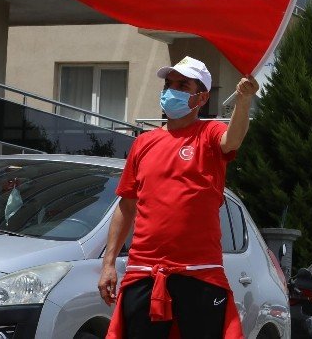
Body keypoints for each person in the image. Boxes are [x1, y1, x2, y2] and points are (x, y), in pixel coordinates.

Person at [98, 57, 259, 339]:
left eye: (182, 85)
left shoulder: (209, 134)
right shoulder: (143, 143)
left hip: (199, 273)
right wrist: (108, 263)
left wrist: (243, 100)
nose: (171, 90)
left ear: (201, 96)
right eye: (169, 84)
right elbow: (126, 205)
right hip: (143, 272)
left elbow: (232, 140)